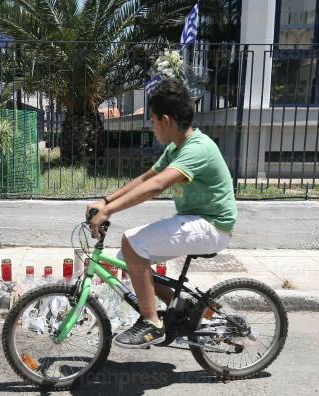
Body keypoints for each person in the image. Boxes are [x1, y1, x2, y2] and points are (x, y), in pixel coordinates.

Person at [87, 77, 237, 348]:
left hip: (212, 225)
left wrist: (109, 211)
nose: (152, 125)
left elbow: (156, 186)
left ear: (167, 120)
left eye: (153, 119)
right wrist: (106, 200)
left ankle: (151, 323)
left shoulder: (197, 149)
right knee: (129, 256)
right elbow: (147, 178)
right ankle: (180, 305)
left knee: (133, 244)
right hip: (194, 220)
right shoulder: (175, 148)